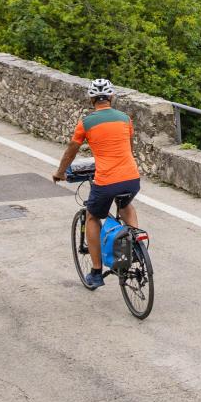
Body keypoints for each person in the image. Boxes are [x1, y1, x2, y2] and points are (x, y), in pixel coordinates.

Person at [53, 79, 141, 290]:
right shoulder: (125, 119)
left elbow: (71, 151)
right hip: (131, 177)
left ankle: (95, 272)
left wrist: (60, 173)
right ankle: (136, 245)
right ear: (111, 97)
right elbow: (128, 150)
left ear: (92, 99)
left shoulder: (86, 123)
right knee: (125, 204)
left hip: (106, 180)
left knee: (93, 216)